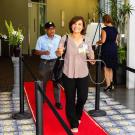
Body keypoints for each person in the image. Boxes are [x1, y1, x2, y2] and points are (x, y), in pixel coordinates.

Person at [56, 16, 95, 133]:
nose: (76, 26)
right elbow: (59, 51)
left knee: (83, 97)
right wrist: (59, 52)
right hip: (68, 73)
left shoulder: (86, 39)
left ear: (83, 27)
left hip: (83, 73)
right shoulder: (65, 38)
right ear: (71, 25)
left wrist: (92, 58)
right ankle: (73, 122)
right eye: (74, 24)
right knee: (70, 99)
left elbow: (90, 53)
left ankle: (78, 114)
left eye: (79, 24)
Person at [35, 21, 62, 109]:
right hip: (44, 63)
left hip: (56, 62)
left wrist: (60, 52)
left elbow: (62, 49)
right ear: (46, 30)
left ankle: (58, 102)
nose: (52, 31)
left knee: (56, 83)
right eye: (50, 29)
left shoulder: (59, 38)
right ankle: (41, 99)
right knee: (43, 83)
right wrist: (44, 52)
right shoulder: (41, 39)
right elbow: (36, 51)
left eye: (53, 29)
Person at [96, 14, 118, 91]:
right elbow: (116, 41)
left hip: (107, 49)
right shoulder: (115, 29)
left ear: (105, 21)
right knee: (110, 68)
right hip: (113, 49)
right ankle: (112, 85)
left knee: (105, 68)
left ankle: (108, 85)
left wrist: (97, 42)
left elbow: (103, 41)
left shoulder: (104, 29)